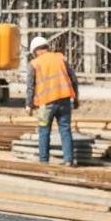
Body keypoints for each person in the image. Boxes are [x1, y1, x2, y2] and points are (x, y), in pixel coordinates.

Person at [26, 35, 79, 166]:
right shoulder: (60, 58)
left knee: (44, 131)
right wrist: (76, 98)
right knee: (65, 130)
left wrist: (29, 105)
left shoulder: (34, 63)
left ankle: (44, 161)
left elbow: (30, 86)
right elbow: (73, 79)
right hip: (65, 100)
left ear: (36, 51)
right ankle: (68, 160)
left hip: (45, 104)